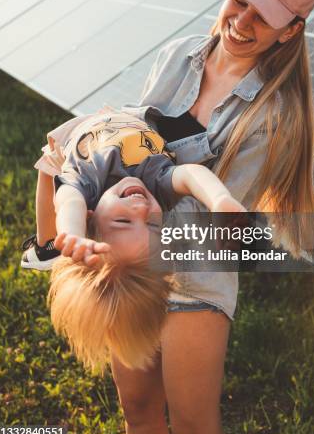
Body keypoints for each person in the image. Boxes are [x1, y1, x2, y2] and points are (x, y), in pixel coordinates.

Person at [104, 0, 314, 434]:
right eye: (240, 1)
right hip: (133, 259)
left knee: (194, 428)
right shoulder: (175, 55)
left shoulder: (275, 117)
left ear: (290, 31)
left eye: (263, 16)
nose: (241, 21)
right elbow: (133, 141)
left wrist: (122, 199)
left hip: (195, 278)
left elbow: (206, 222)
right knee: (137, 411)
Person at [21, 108, 246, 373]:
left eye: (123, 221)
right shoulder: (157, 182)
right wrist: (218, 199)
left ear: (90, 216)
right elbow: (190, 175)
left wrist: (72, 233)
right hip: (127, 117)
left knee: (50, 164)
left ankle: (47, 245)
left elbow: (68, 201)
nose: (140, 210)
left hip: (78, 131)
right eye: (152, 224)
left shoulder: (87, 181)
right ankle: (48, 247)